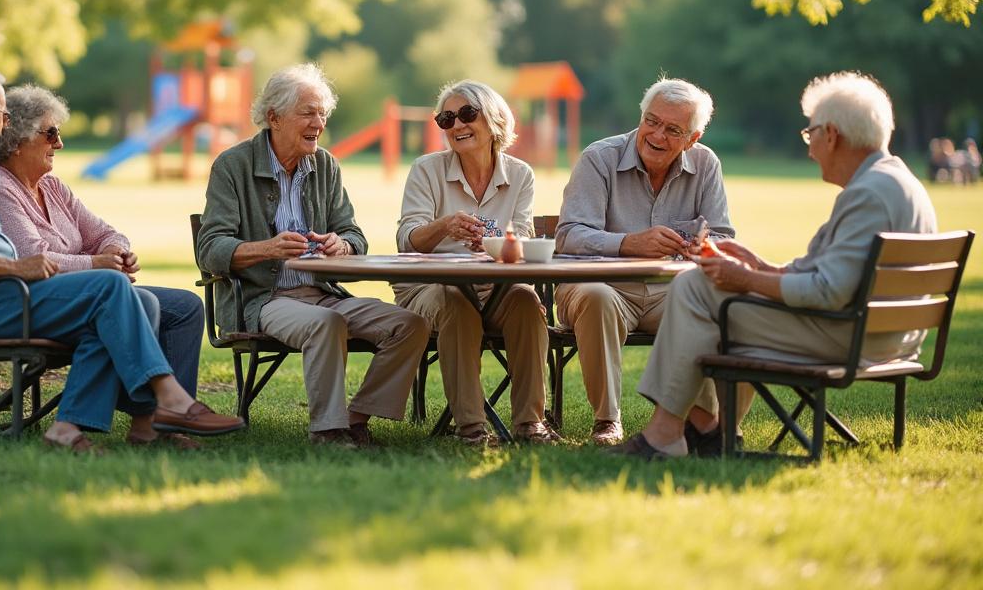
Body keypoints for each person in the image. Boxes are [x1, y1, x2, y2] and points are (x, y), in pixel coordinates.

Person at [0, 60, 242, 453]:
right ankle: (169, 402)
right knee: (109, 289)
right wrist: (16, 267)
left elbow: (92, 235)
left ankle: (70, 429)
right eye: (4, 115)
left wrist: (99, 255)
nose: (5, 126)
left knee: (135, 300)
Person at [612, 71, 937, 459]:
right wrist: (764, 268)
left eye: (810, 134)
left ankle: (667, 435)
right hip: (883, 334)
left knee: (695, 289)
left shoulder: (867, 195)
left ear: (831, 135)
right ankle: (711, 430)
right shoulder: (898, 183)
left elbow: (827, 291)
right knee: (704, 291)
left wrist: (744, 278)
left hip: (851, 337)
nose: (810, 147)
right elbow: (837, 274)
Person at [196, 63, 431, 447]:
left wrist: (344, 245)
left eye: (322, 113)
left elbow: (354, 234)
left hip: (322, 294)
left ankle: (355, 419)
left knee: (410, 325)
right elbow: (210, 249)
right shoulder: (233, 166)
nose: (318, 122)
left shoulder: (325, 166)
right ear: (273, 117)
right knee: (327, 324)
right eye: (308, 112)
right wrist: (266, 249)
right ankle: (327, 431)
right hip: (264, 299)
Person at [0, 85, 207, 449]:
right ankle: (150, 417)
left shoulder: (53, 187)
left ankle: (158, 423)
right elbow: (33, 255)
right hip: (35, 299)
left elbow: (105, 232)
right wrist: (97, 264)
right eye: (51, 133)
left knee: (184, 307)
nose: (59, 144)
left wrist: (116, 253)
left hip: (83, 291)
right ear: (16, 141)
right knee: (134, 302)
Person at [554, 76, 734, 445]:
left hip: (667, 289)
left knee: (702, 301)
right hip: (599, 286)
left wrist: (701, 247)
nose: (657, 135)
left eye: (672, 129)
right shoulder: (599, 158)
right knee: (597, 297)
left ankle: (697, 425)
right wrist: (629, 243)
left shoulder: (706, 165)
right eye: (651, 121)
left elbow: (723, 238)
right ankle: (608, 420)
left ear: (692, 139)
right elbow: (568, 234)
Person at [394, 80, 558, 446]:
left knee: (528, 303)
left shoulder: (519, 175)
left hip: (495, 287)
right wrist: (444, 225)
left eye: (467, 114)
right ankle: (470, 428)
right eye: (446, 118)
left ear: (495, 119)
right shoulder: (427, 170)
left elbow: (521, 239)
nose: (456, 125)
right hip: (429, 288)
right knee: (458, 304)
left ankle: (530, 424)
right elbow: (407, 239)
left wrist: (499, 245)